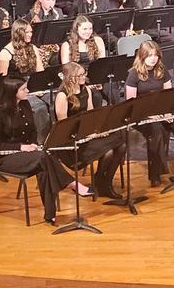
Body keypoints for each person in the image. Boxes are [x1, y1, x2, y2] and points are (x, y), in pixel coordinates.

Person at [0, 77, 84, 225]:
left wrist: (32, 145)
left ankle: (49, 215)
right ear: (12, 92)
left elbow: (32, 130)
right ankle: (71, 183)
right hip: (5, 157)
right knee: (44, 158)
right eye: (23, 89)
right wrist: (21, 147)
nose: (28, 91)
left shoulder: (25, 104)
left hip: (29, 153)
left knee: (44, 167)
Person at [125, 41, 174, 184]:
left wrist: (167, 112)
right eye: (149, 55)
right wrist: (151, 115)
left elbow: (168, 95)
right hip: (141, 114)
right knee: (156, 130)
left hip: (162, 111)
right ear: (142, 56)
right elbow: (131, 104)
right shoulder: (133, 74)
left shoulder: (162, 69)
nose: (153, 58)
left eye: (156, 55)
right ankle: (156, 174)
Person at [53, 61, 125, 199]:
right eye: (79, 75)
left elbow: (91, 115)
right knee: (108, 152)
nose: (83, 77)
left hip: (87, 134)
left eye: (83, 74)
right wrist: (87, 134)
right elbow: (64, 127)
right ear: (70, 77)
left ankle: (105, 182)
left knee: (121, 144)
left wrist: (97, 130)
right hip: (72, 141)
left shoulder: (86, 90)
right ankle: (101, 182)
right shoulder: (62, 95)